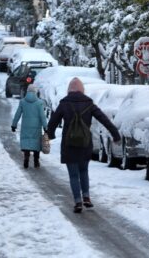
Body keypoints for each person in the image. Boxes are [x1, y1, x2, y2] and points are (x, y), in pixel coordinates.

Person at [47, 77, 120, 213]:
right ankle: (86, 196)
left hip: (69, 144)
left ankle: (77, 201)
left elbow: (53, 121)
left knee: (73, 175)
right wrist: (115, 134)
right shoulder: (89, 104)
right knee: (83, 170)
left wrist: (49, 135)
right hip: (85, 144)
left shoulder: (64, 104)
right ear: (82, 90)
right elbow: (104, 119)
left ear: (69, 90)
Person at [11, 84, 48, 169]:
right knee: (36, 144)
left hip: (26, 127)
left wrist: (14, 125)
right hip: (36, 127)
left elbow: (17, 114)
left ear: (27, 91)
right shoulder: (39, 103)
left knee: (27, 143)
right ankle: (36, 161)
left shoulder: (23, 102)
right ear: (36, 92)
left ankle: (26, 159)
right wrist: (45, 127)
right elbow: (42, 116)